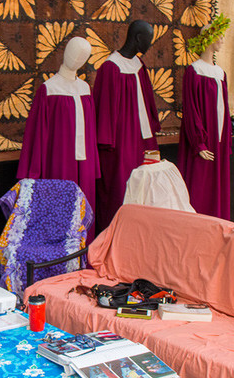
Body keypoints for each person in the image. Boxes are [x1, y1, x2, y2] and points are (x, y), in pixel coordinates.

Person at [17, 36, 101, 237]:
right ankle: (59, 262)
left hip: (85, 164)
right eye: (75, 53)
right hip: (59, 162)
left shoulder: (85, 89)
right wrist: (33, 172)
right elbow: (37, 134)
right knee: (60, 212)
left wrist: (94, 165)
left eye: (84, 56)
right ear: (65, 53)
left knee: (85, 212)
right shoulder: (49, 89)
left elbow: (91, 132)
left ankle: (84, 258)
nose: (77, 59)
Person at [92, 20, 161, 231]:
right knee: (120, 190)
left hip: (142, 140)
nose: (150, 45)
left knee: (145, 190)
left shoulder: (139, 67)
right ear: (138, 38)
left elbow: (147, 103)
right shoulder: (110, 68)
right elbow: (103, 110)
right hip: (119, 143)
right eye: (149, 39)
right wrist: (108, 143)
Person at [177, 14, 233, 219]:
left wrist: (225, 140)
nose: (223, 41)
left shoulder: (220, 73)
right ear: (209, 40)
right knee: (200, 184)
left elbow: (224, 110)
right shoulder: (194, 71)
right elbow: (191, 109)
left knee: (217, 184)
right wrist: (199, 143)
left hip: (218, 139)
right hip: (203, 139)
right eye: (220, 36)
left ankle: (217, 222)